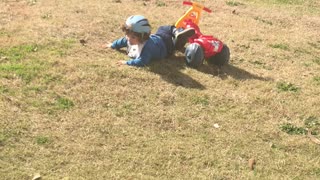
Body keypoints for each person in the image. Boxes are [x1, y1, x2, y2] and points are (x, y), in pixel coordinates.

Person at [104, 15, 195, 67]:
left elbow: (142, 61)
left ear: (142, 37)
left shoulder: (147, 48)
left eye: (132, 37)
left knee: (163, 28)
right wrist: (113, 45)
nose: (128, 39)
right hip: (158, 39)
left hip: (166, 47)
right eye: (127, 35)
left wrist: (127, 63)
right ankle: (177, 34)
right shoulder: (131, 40)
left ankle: (178, 34)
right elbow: (122, 41)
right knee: (163, 29)